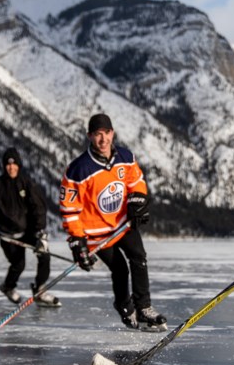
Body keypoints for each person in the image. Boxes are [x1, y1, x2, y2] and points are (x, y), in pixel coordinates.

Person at [59, 113, 167, 330]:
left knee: (139, 257)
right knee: (120, 269)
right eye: (98, 135)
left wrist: (138, 200)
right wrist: (77, 240)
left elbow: (136, 182)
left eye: (107, 133)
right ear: (90, 136)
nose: (103, 139)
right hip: (97, 233)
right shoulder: (78, 169)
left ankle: (144, 308)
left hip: (122, 225)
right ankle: (125, 307)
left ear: (112, 133)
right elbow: (70, 209)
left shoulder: (125, 158)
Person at [0, 147, 61, 307]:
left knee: (44, 255)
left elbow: (39, 208)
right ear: (4, 166)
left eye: (14, 164)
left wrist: (41, 233)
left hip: (28, 231)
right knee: (19, 264)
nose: (11, 167)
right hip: (7, 235)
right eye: (8, 164)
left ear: (19, 165)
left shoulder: (27, 184)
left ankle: (40, 290)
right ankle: (8, 287)